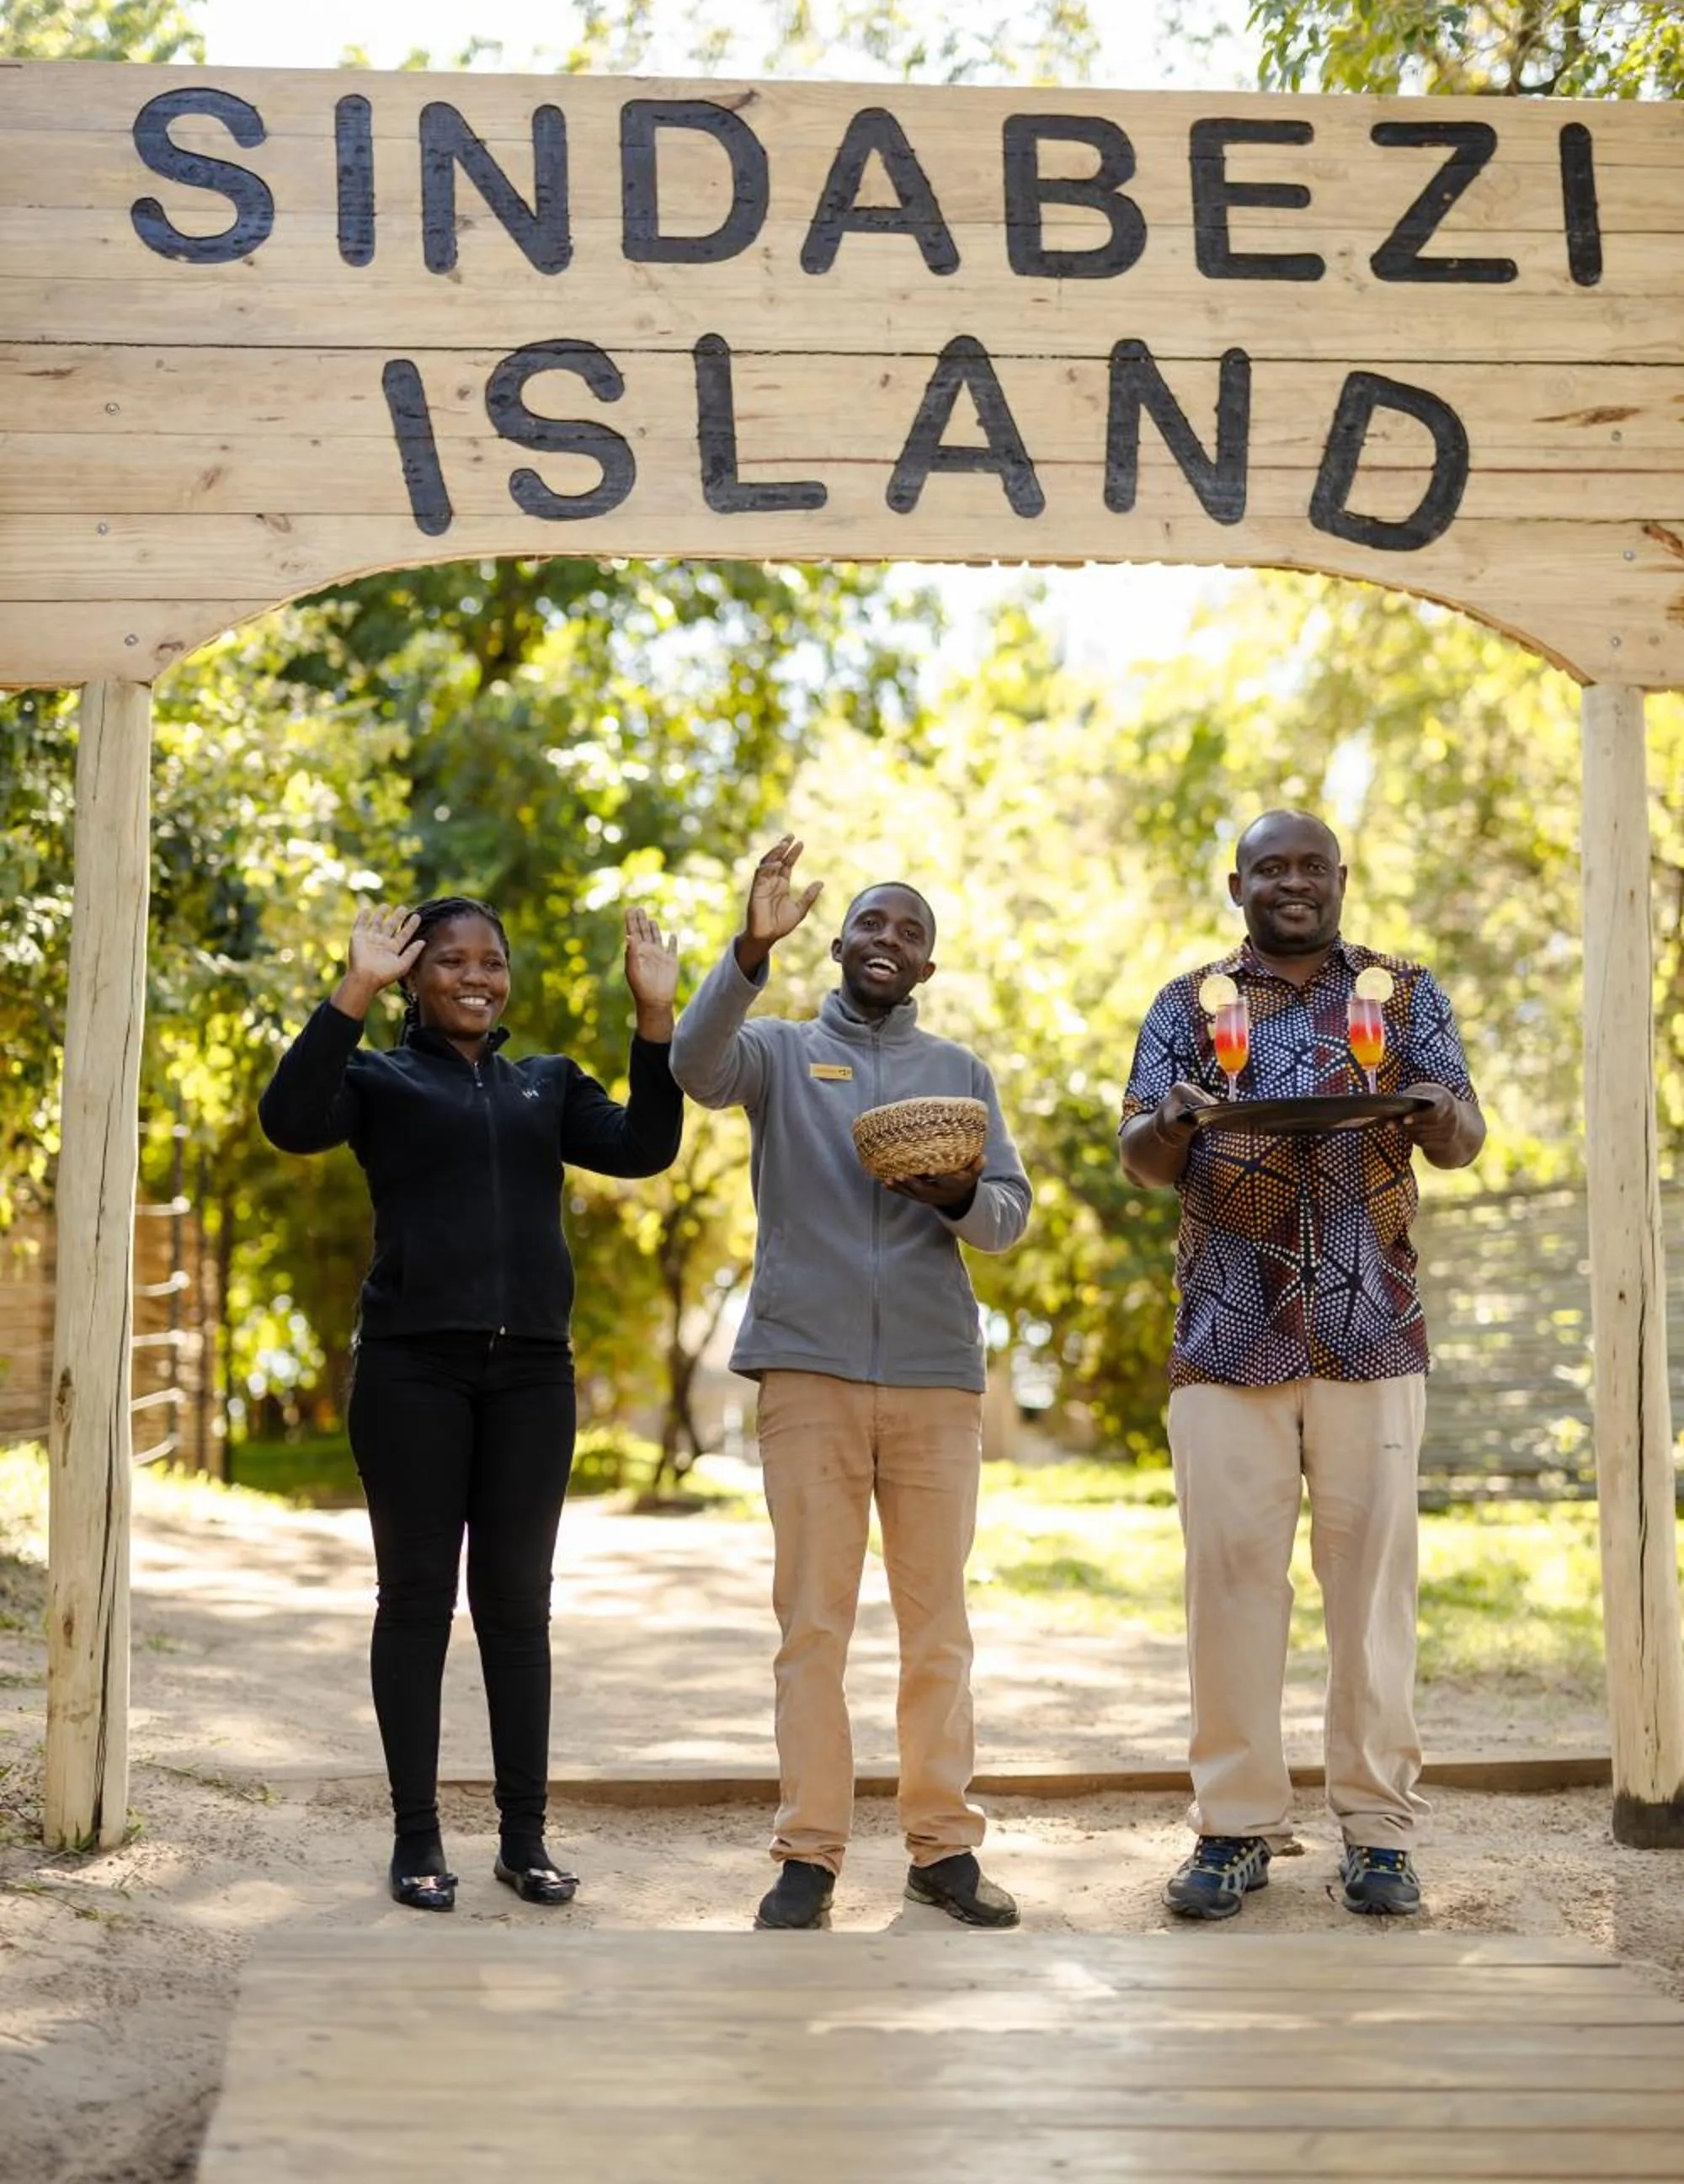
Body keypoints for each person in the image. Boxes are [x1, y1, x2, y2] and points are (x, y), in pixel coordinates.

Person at [258, 895, 682, 1912]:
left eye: (492, 960)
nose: (475, 977)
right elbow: (289, 1121)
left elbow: (644, 1148)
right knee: (414, 1604)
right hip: (412, 1371)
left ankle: (524, 1840)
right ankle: (416, 1840)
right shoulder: (378, 1076)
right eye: (450, 961)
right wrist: (350, 988)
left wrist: (654, 1022)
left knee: (516, 1611)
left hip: (531, 1374)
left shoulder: (545, 1084)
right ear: (414, 976)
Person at [1117, 811, 1484, 1921]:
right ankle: (1234, 1827)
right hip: (1230, 1335)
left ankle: (1377, 1831)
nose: (1291, 882)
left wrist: (1430, 1108)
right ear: (1237, 883)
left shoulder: (1405, 993)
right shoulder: (1188, 1005)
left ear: (1339, 878)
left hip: (1369, 1326)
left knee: (1374, 1593)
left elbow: (1464, 1135)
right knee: (1230, 1584)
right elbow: (1139, 1154)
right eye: (1269, 867)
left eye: (1309, 866)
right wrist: (1176, 1121)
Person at [670, 837, 1032, 1931]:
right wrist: (745, 949)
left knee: (939, 1630)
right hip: (808, 1371)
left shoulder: (959, 1075)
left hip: (933, 1375)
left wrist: (962, 1190)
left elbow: (1009, 1220)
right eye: (872, 923)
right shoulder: (776, 1052)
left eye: (910, 932)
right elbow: (692, 1064)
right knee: (812, 1626)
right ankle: (809, 1853)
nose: (889, 940)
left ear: (926, 969)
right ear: (837, 944)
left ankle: (940, 1847)